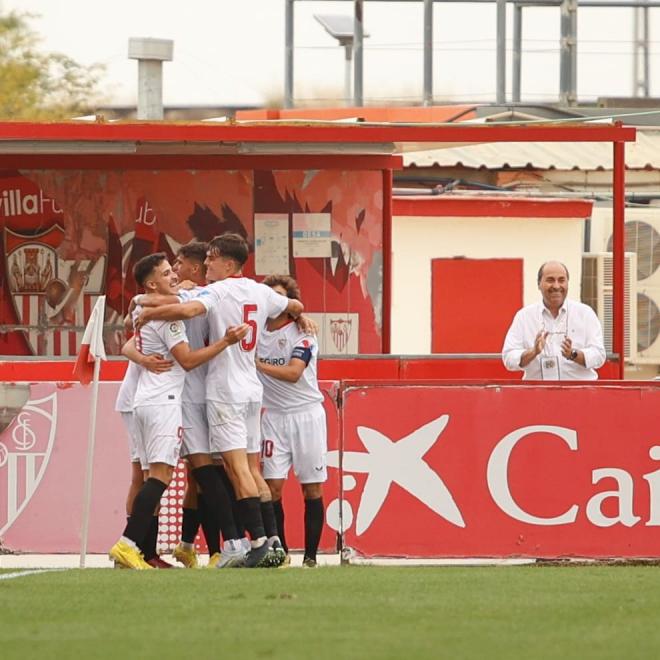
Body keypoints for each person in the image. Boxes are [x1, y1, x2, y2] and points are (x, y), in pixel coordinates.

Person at [136, 233, 303, 568]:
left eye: (212, 258)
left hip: (224, 391)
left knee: (234, 467)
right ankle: (274, 545)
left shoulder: (217, 290)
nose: (207, 263)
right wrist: (300, 317)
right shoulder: (260, 291)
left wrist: (148, 310)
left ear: (228, 263)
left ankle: (254, 541)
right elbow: (294, 306)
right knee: (251, 470)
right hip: (252, 390)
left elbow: (188, 308)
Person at [109, 252, 248, 570]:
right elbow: (185, 359)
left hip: (148, 400)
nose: (175, 275)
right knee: (159, 476)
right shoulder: (167, 315)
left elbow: (134, 333)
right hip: (164, 402)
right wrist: (225, 341)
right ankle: (129, 545)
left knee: (158, 477)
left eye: (176, 269)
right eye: (168, 271)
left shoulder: (155, 308)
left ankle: (141, 551)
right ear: (153, 282)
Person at [256, 275, 327, 568]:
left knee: (311, 487)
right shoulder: (256, 333)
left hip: (307, 415)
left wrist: (255, 364)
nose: (273, 302)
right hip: (273, 417)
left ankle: (310, 557)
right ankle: (281, 553)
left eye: (279, 297)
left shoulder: (304, 334)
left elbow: (294, 372)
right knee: (271, 488)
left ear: (289, 304)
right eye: (269, 296)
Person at [502, 260, 606, 380]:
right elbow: (508, 358)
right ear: (539, 284)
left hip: (579, 393)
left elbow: (599, 355)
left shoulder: (585, 313)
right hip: (538, 394)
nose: (556, 286)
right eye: (550, 280)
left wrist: (573, 354)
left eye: (561, 280)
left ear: (568, 283)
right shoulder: (524, 316)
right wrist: (533, 352)